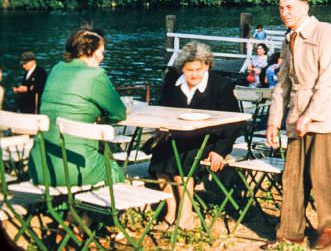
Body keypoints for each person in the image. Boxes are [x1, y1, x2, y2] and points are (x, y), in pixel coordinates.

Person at [265, 0, 331, 250]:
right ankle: (290, 233)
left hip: (322, 116)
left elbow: (329, 77)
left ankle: (329, 225)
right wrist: (273, 121)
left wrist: (309, 116)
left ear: (304, 7)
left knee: (320, 173)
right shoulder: (288, 39)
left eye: (289, 7)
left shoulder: (325, 32)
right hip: (296, 116)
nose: (284, 12)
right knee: (292, 176)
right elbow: (282, 84)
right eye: (280, 8)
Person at [149, 42, 240, 226]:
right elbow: (161, 109)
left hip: (208, 140)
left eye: (199, 69)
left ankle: (186, 215)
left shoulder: (221, 85)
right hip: (177, 136)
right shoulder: (172, 82)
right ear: (182, 68)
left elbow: (235, 122)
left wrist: (220, 151)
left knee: (182, 166)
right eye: (189, 70)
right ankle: (171, 210)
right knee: (159, 162)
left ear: (207, 65)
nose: (194, 74)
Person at [28, 29, 126, 186]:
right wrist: (100, 116)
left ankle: (66, 207)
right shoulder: (95, 75)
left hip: (40, 167)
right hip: (76, 168)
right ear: (90, 51)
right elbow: (119, 113)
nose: (102, 57)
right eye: (101, 52)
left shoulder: (56, 69)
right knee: (115, 168)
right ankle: (90, 210)